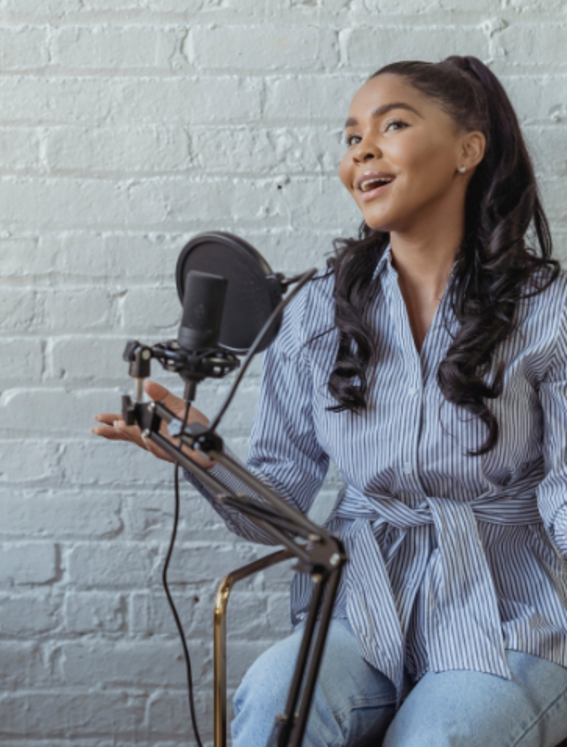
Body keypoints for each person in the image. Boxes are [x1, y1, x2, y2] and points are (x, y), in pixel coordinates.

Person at [93, 56, 567, 746]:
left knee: (440, 737)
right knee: (271, 703)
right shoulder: (317, 308)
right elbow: (277, 504)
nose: (363, 150)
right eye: (351, 138)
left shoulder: (548, 311)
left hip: (509, 611)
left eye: (393, 124)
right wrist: (204, 454)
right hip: (360, 608)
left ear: (469, 148)